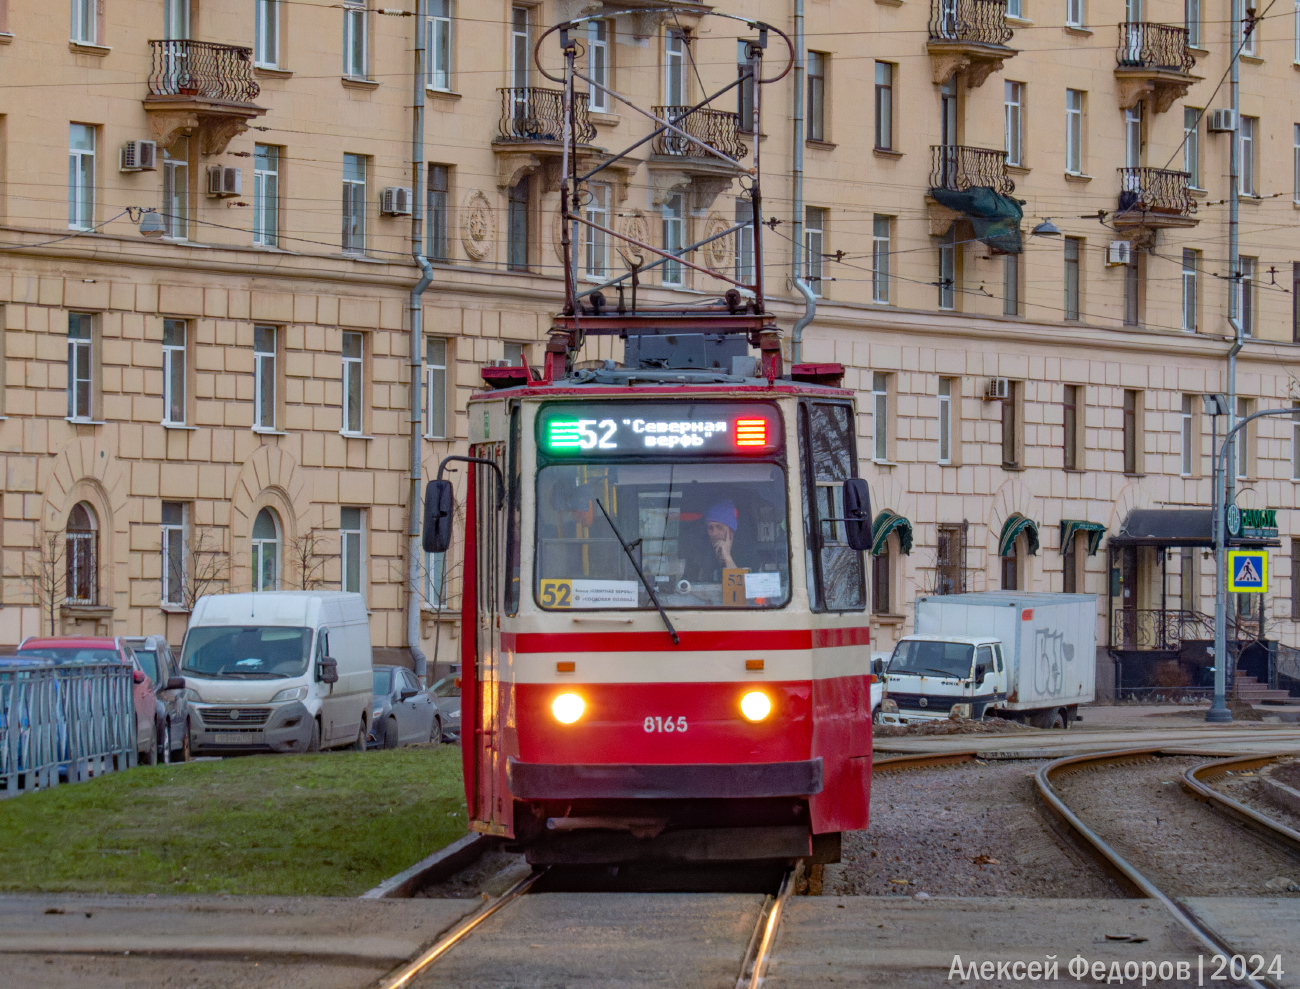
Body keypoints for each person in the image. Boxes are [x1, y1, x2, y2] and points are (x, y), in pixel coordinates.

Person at [705, 499, 740, 570]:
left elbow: (740, 580)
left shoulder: (745, 554)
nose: (714, 533)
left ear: (731, 531)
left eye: (719, 527)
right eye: (710, 527)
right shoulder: (703, 553)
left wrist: (727, 558)